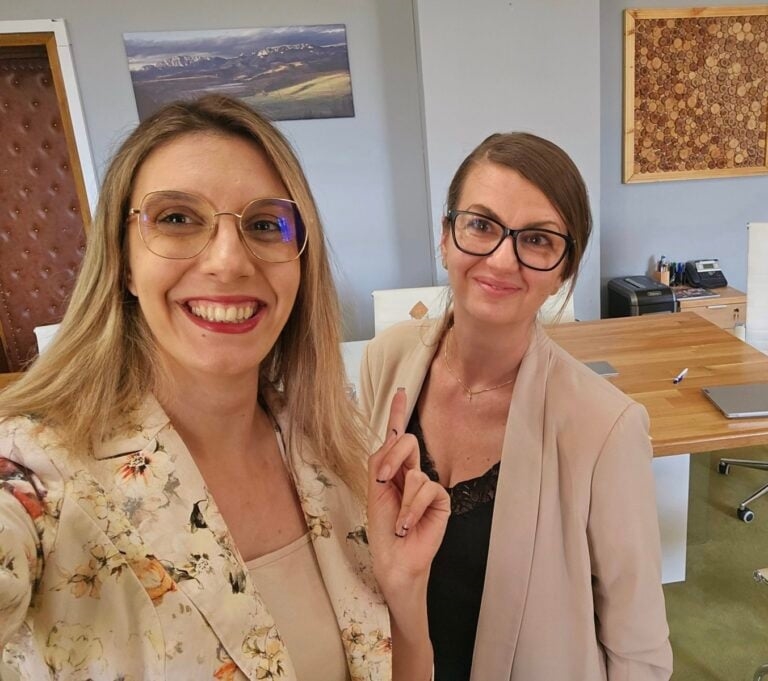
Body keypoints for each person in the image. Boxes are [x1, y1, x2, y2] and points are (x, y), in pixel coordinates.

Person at [0, 95, 448, 681]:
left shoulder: (336, 453)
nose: (229, 261)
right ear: (124, 262)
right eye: (177, 219)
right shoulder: (37, 472)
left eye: (264, 225)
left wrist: (405, 593)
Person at [360, 132, 673, 680]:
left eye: (536, 239)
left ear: (563, 271)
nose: (502, 260)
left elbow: (638, 650)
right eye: (481, 225)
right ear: (445, 237)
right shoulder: (386, 360)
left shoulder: (606, 427)